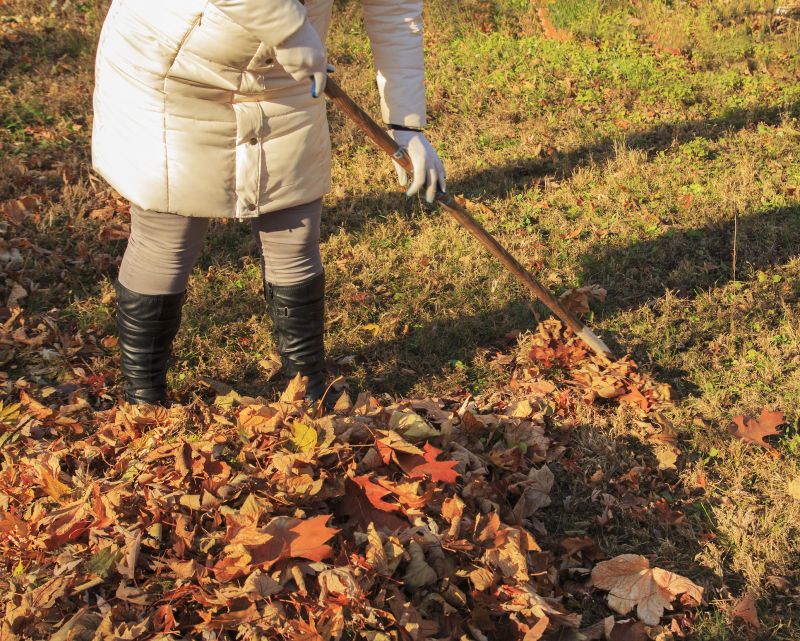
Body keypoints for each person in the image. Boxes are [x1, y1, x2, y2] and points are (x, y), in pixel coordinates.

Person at [91, 0, 446, 405]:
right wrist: (292, 32)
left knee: (294, 224)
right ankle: (143, 397)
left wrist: (405, 125)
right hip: (175, 63)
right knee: (170, 231)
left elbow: (393, 11)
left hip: (286, 77)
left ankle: (307, 386)